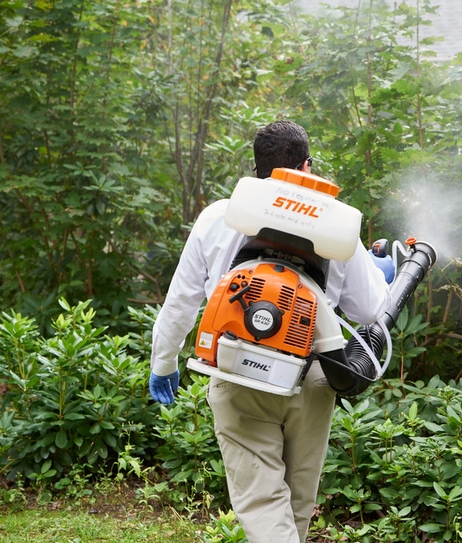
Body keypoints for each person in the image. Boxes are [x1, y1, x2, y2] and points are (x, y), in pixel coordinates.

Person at [148, 120, 392, 543]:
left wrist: (164, 362)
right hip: (314, 374)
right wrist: (377, 269)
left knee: (263, 505)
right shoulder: (335, 223)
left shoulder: (218, 216)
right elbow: (372, 309)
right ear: (308, 165)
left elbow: (181, 302)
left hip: (238, 369)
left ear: (255, 169)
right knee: (296, 502)